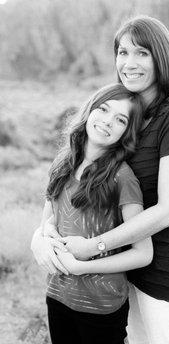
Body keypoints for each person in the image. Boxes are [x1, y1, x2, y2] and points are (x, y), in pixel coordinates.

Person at [32, 15, 169, 344]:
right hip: (123, 272)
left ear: (161, 58)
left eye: (142, 53)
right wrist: (41, 235)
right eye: (123, 52)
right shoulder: (127, 117)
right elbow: (75, 186)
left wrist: (92, 248)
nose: (130, 63)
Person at [31, 83, 153, 344]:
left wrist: (81, 266)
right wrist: (43, 235)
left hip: (101, 307)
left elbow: (143, 253)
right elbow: (48, 221)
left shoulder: (122, 177)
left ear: (126, 133)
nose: (108, 122)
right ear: (89, 110)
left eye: (120, 120)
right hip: (57, 294)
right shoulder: (63, 163)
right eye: (104, 109)